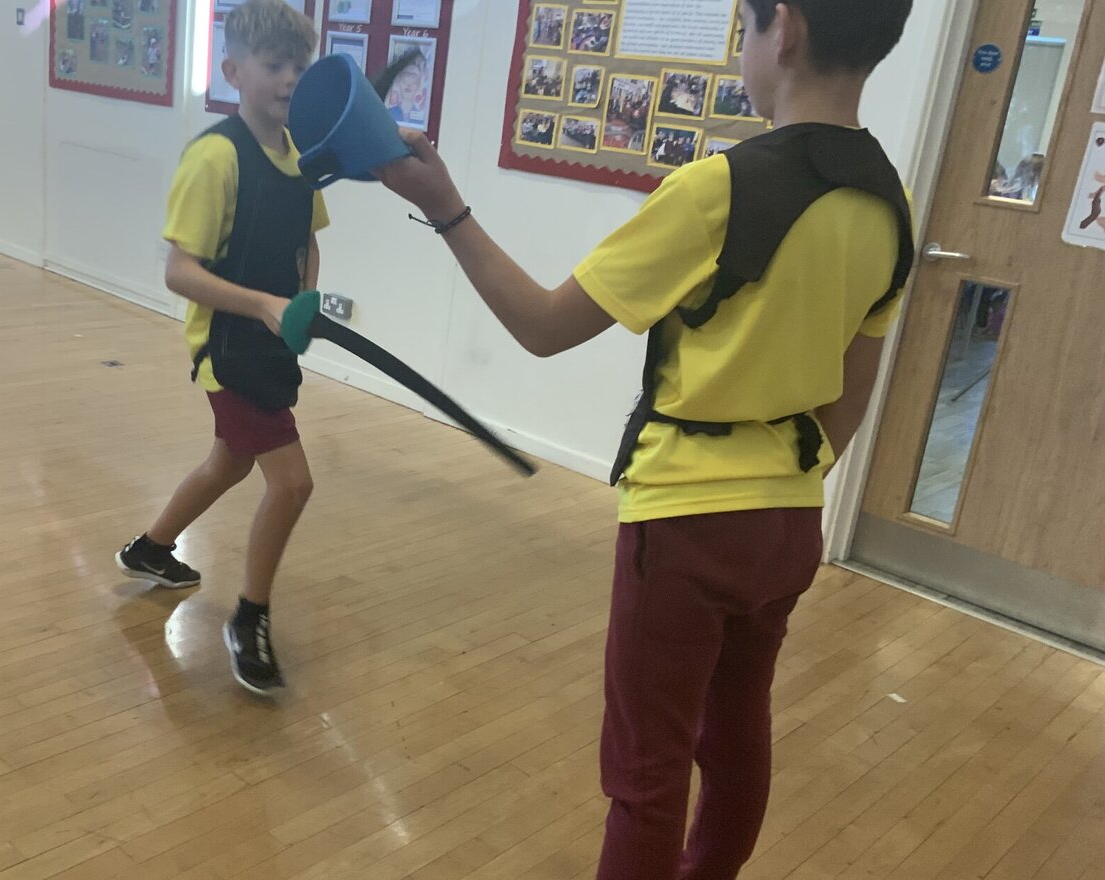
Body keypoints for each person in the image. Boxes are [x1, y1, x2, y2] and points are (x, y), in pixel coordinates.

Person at [374, 0, 916, 876]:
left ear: (789, 31)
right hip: (789, 521)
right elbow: (849, 403)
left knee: (646, 775)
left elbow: (544, 326)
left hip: (687, 523)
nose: (745, 51)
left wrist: (447, 210)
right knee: (737, 743)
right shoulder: (891, 204)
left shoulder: (715, 189)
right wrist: (778, 489)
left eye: (746, 28)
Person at [115, 0, 326, 696]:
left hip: (270, 346)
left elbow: (307, 240)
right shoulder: (215, 156)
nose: (289, 78)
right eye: (274, 65)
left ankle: (149, 548)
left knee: (230, 463)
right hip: (228, 351)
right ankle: (250, 617)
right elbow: (180, 270)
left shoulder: (299, 157)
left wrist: (302, 300)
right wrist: (264, 306)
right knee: (292, 484)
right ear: (234, 70)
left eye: (299, 65)